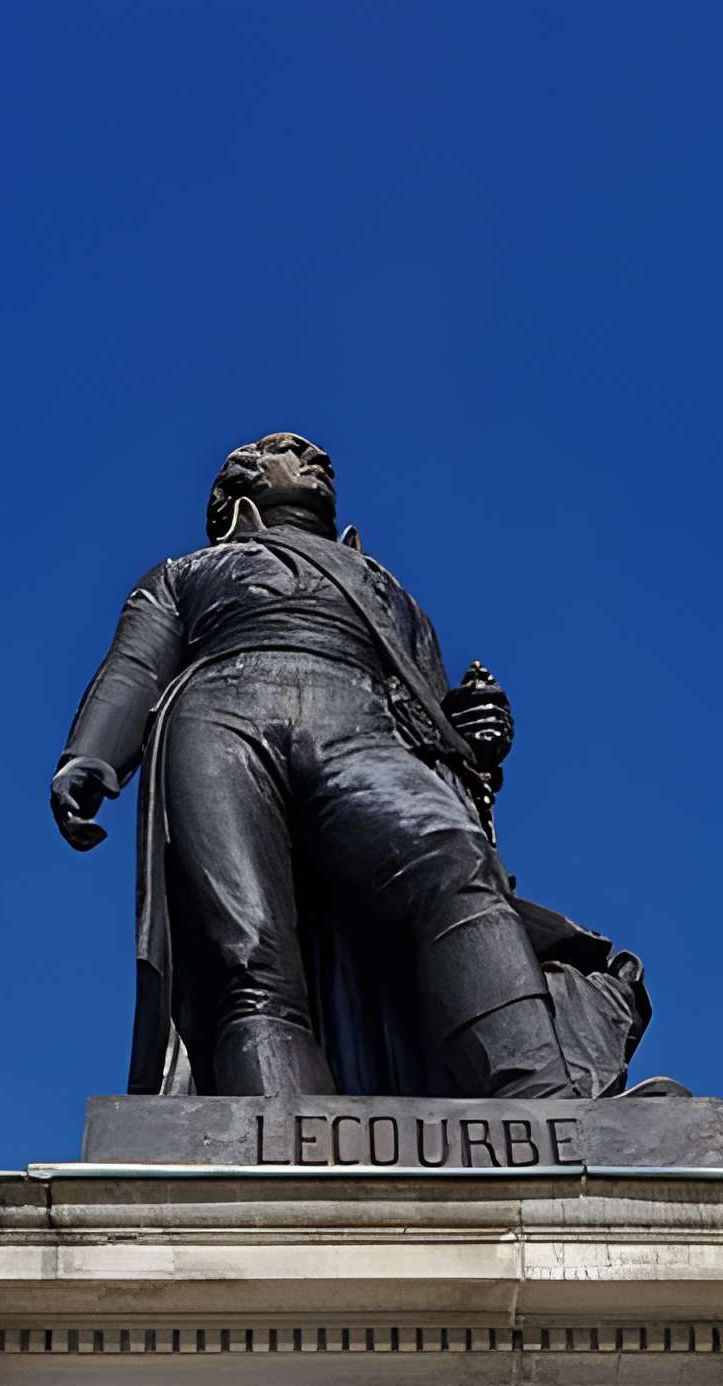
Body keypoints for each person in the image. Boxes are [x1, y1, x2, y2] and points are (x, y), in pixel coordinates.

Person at [52, 432, 645, 1098]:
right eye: (289, 450)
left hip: (358, 722)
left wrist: (473, 742)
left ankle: (543, 1101)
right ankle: (283, 1138)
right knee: (247, 951)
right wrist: (93, 753)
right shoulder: (183, 573)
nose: (317, 459)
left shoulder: (384, 587)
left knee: (451, 862)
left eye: (317, 456)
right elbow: (136, 664)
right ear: (236, 490)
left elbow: (425, 713)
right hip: (218, 719)